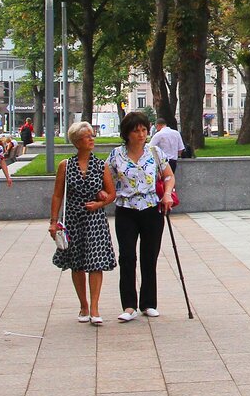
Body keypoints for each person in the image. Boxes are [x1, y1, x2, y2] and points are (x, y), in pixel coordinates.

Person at [107, 111, 175, 322]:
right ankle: (129, 305)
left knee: (149, 256)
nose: (141, 134)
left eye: (144, 130)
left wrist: (167, 194)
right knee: (127, 256)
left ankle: (148, 303)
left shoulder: (155, 152)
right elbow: (107, 179)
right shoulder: (116, 155)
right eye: (136, 131)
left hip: (151, 208)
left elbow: (169, 176)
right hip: (126, 209)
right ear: (127, 133)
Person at [50, 121, 117, 326]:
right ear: (77, 141)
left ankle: (95, 308)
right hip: (73, 219)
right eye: (88, 136)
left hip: (95, 219)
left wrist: (100, 203)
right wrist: (53, 221)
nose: (92, 139)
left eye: (92, 135)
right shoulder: (66, 166)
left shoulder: (101, 165)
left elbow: (112, 193)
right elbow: (57, 195)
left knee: (96, 263)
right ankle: (83, 305)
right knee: (76, 263)